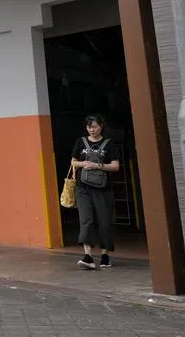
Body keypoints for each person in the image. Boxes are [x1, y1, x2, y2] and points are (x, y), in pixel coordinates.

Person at [71, 114, 121, 271]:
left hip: (103, 189)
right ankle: (88, 256)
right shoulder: (80, 142)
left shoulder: (109, 144)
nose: (92, 130)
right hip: (83, 188)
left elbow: (115, 166)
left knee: (104, 221)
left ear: (101, 126)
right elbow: (73, 162)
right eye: (89, 127)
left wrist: (98, 166)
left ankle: (105, 255)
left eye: (94, 126)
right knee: (86, 220)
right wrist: (82, 163)